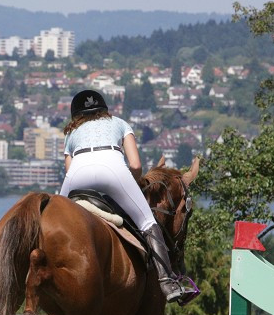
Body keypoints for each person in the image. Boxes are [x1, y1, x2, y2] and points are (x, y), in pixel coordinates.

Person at [59, 89, 196, 304]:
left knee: (57, 219)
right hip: (113, 170)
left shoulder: (71, 133)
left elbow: (69, 169)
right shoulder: (120, 123)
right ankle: (168, 282)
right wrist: (127, 187)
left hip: (77, 174)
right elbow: (135, 164)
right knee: (148, 222)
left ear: (76, 114)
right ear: (104, 110)